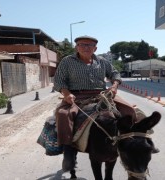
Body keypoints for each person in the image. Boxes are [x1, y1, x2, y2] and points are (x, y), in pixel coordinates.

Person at [53, 35, 157, 172]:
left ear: (95, 48)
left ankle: (136, 141)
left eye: (89, 45)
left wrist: (114, 86)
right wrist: (67, 94)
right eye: (82, 44)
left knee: (130, 110)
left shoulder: (102, 61)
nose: (85, 47)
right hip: (76, 95)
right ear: (76, 47)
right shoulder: (67, 61)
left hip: (102, 94)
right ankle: (68, 152)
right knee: (63, 114)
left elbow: (115, 74)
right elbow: (59, 81)